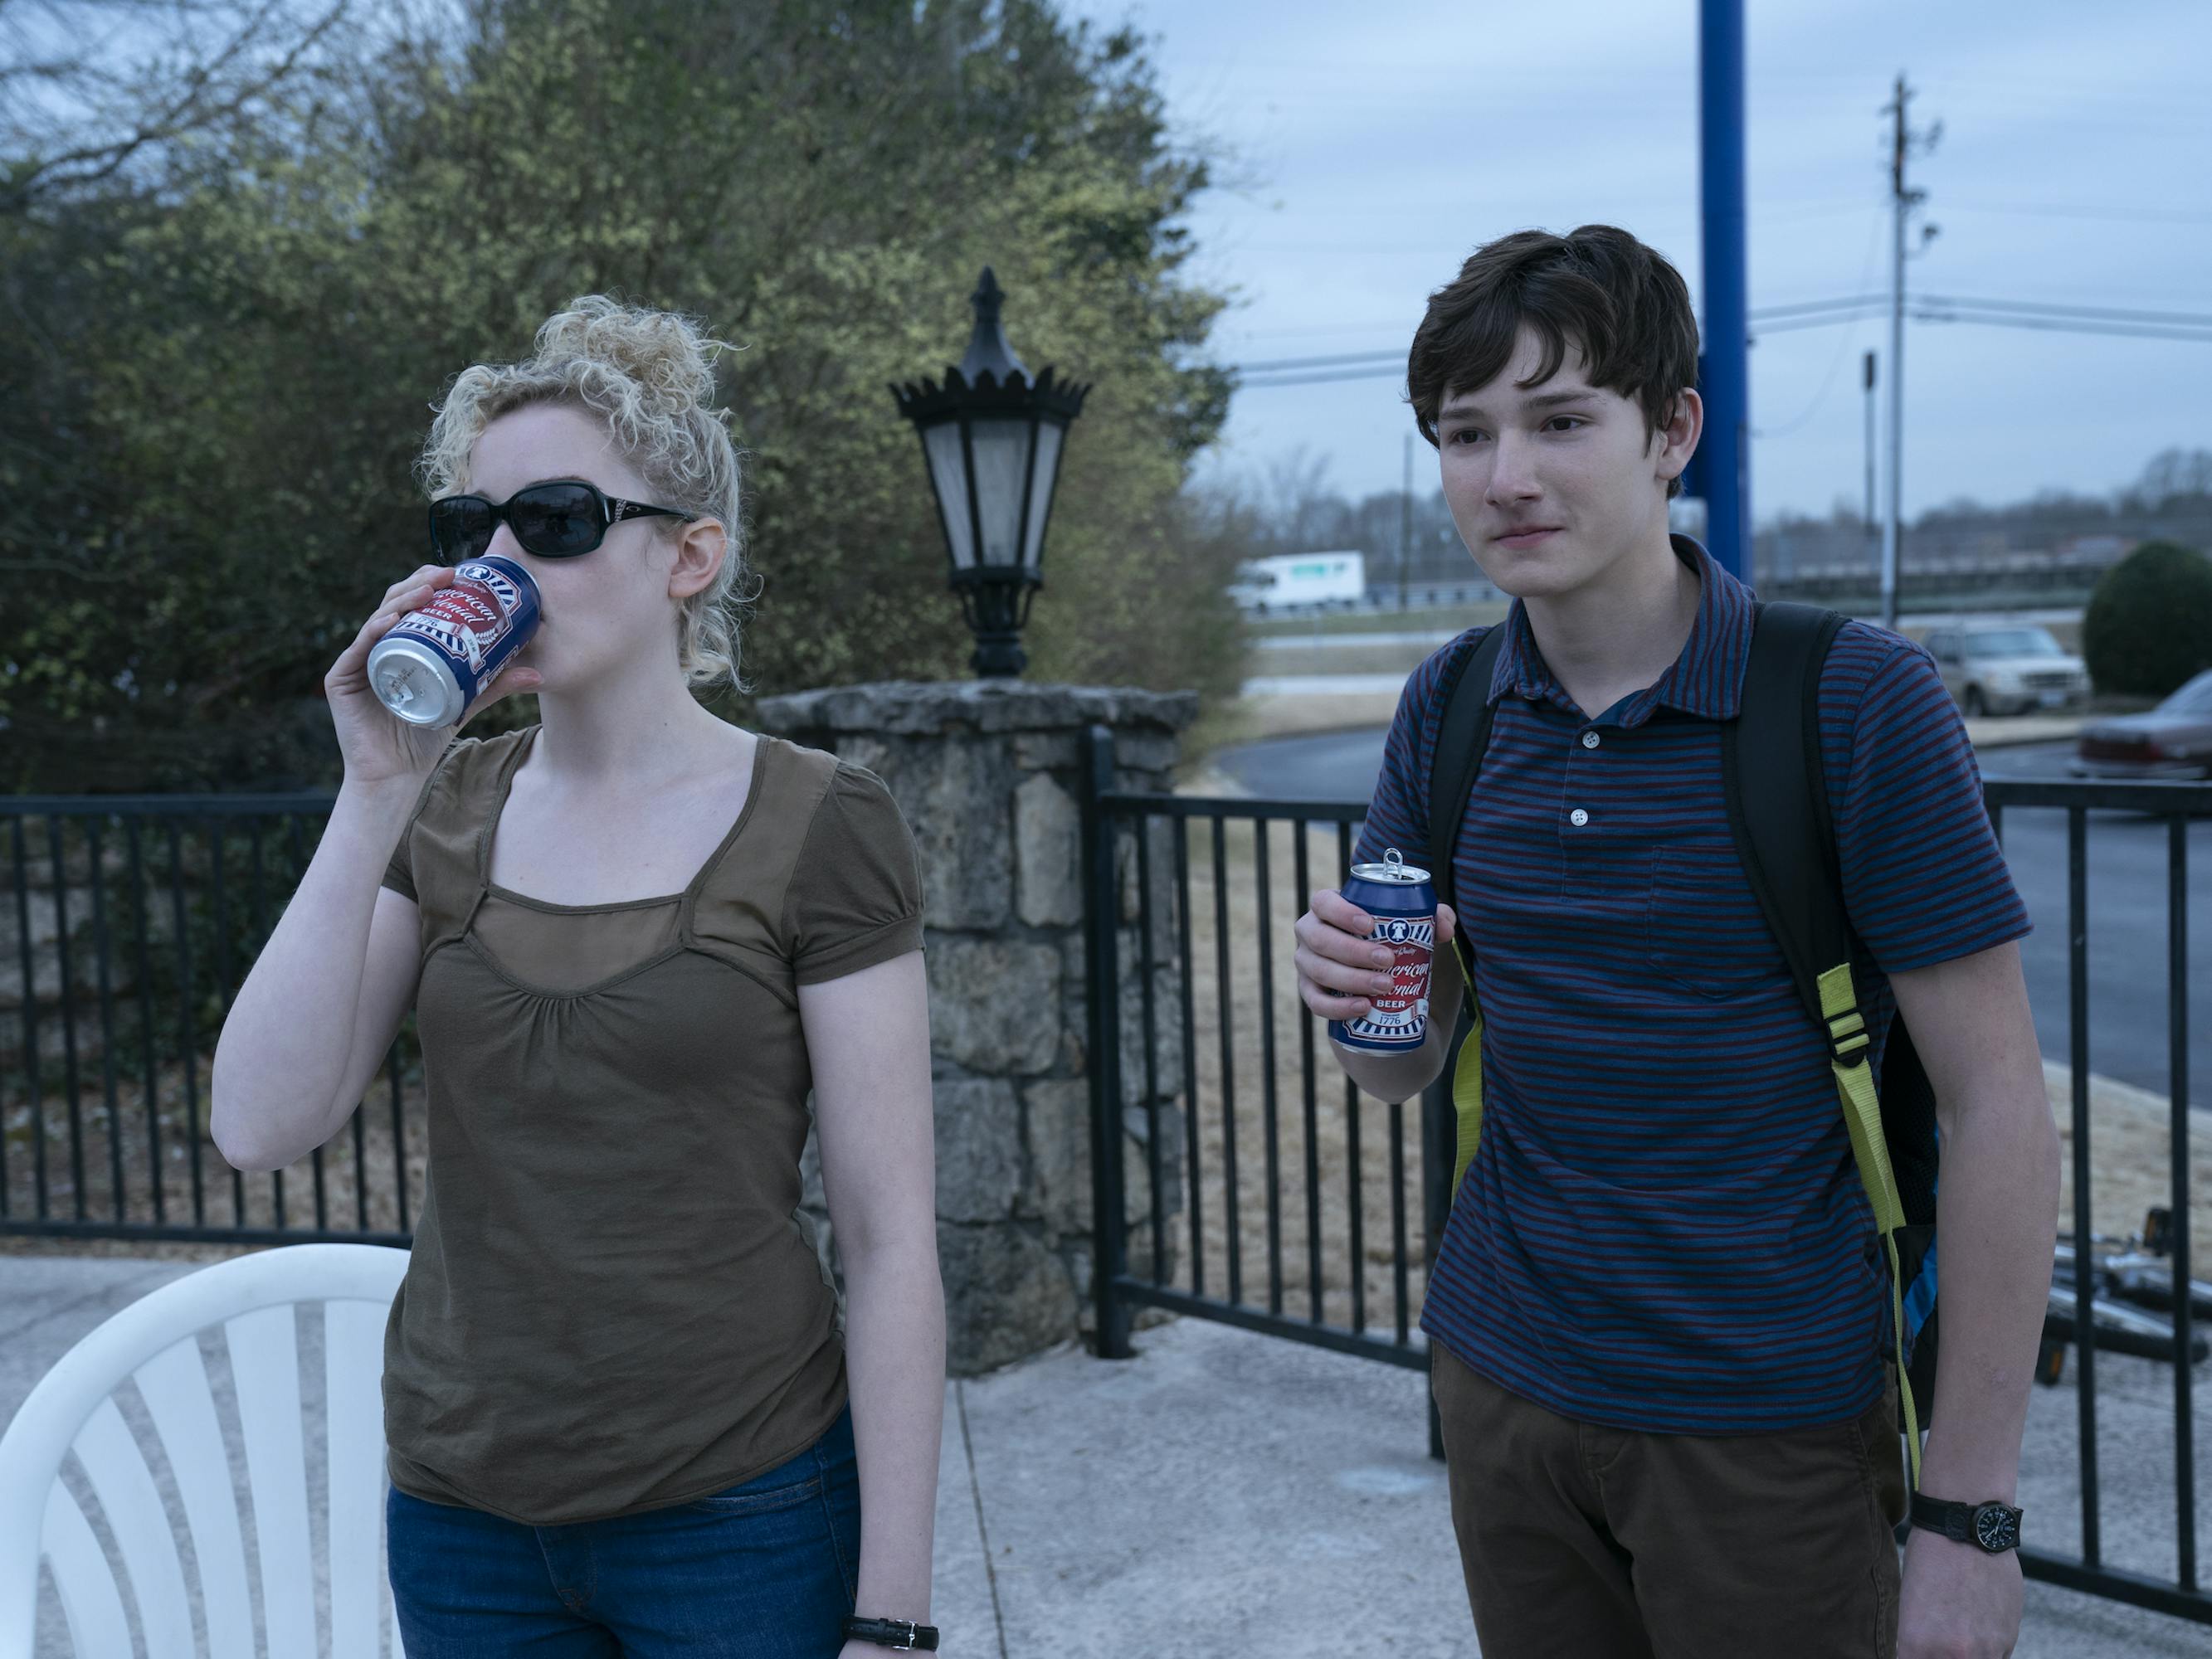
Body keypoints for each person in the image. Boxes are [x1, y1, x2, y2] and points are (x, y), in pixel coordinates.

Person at [1294, 226, 2059, 1657]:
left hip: (1764, 1425)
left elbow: (1997, 1102)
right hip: (1500, 1386)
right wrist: (1367, 997)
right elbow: (1397, 1074)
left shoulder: (1850, 702)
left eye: (1560, 418)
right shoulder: (1447, 706)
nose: (1505, 475)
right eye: (1464, 433)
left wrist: (1971, 1520)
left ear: (1671, 431)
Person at [212, 297, 945, 1658]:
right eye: (466, 529)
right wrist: (376, 786)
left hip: (741, 1513)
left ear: (689, 557)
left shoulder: (822, 822)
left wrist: (889, 1618)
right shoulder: (440, 813)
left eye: (553, 520)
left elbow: (892, 1242)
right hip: (462, 1514)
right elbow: (260, 1125)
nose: (496, 559)